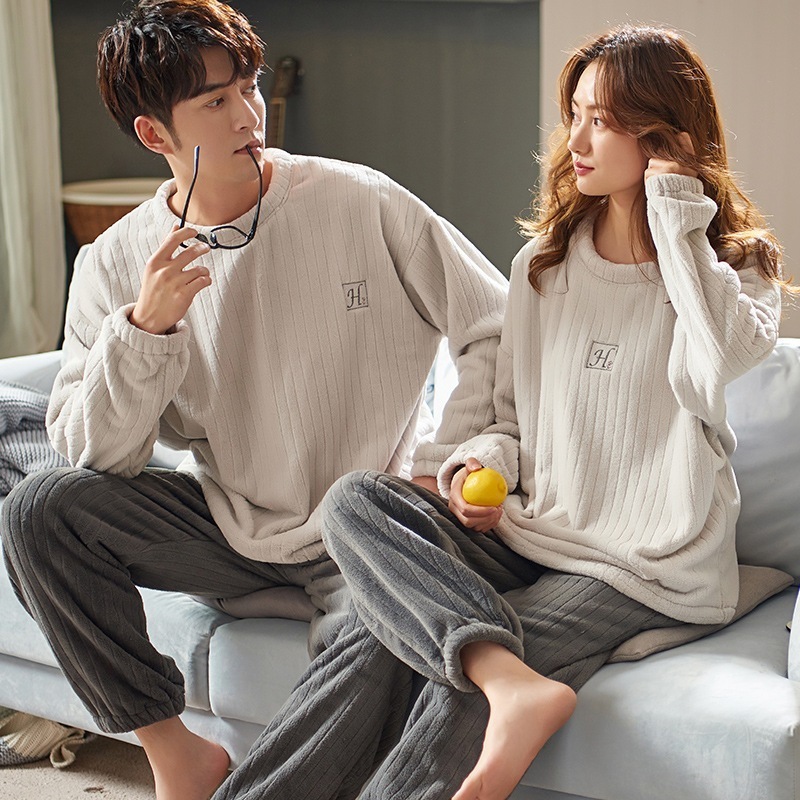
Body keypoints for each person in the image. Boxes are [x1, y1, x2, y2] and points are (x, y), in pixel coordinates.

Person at [0, 1, 509, 798]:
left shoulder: (361, 201)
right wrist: (146, 330)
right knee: (40, 509)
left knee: (398, 645)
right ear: (154, 134)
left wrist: (447, 457)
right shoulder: (114, 263)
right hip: (229, 526)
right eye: (215, 101)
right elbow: (95, 455)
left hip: (365, 527)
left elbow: (497, 327)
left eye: (249, 86)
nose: (248, 114)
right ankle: (176, 753)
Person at [313, 24, 796, 800]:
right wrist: (483, 465)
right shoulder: (543, 265)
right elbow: (510, 421)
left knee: (446, 675)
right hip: (536, 529)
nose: (576, 139)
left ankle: (494, 682)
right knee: (355, 501)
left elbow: (718, 358)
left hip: (643, 560)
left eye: (602, 120)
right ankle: (502, 675)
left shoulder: (734, 267)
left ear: (664, 135)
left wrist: (677, 209)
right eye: (574, 114)